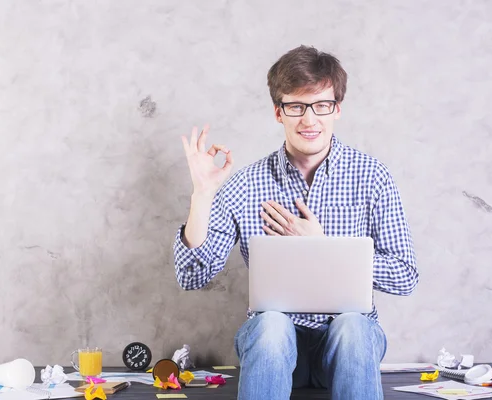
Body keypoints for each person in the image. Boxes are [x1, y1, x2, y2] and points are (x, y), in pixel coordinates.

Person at [174, 45, 419, 400]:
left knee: (353, 325)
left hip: (348, 345)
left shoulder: (371, 176)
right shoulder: (247, 183)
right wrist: (202, 195)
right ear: (279, 112)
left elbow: (405, 276)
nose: (309, 120)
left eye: (321, 105)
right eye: (296, 107)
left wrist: (322, 246)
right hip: (272, 345)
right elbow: (191, 275)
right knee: (272, 323)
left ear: (337, 109)